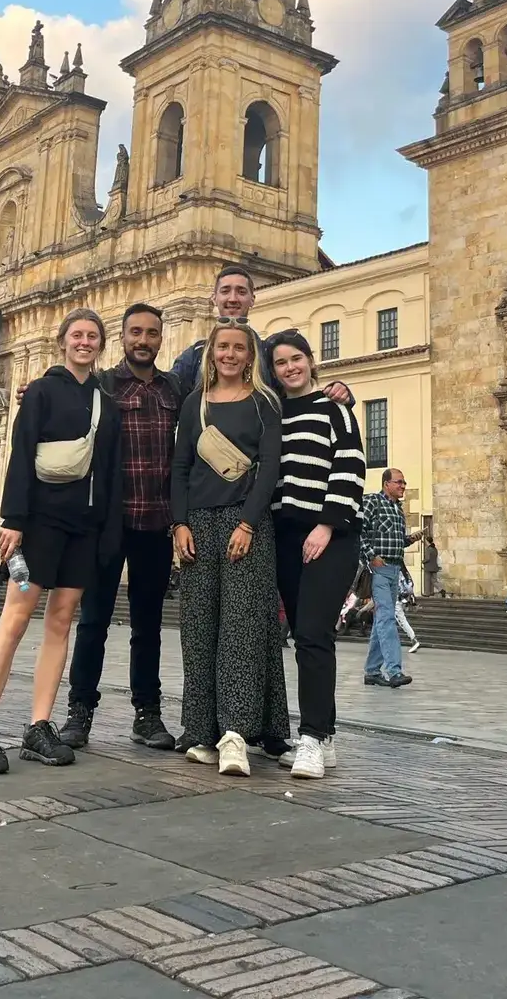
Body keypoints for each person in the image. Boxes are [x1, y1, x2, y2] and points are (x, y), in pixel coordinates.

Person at [0, 308, 122, 776]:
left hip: (84, 528)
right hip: (40, 525)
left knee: (62, 620)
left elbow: (111, 473)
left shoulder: (106, 405)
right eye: (77, 335)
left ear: (101, 344)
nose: (85, 342)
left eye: (92, 336)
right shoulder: (41, 393)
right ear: (62, 342)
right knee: (15, 618)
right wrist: (14, 519)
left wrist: (108, 534)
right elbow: (21, 453)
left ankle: (39, 725)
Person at [62, 303, 182, 754]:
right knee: (93, 620)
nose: (143, 340)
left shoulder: (175, 388)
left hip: (156, 522)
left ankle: (147, 713)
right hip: (108, 523)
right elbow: (65, 402)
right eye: (136, 332)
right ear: (123, 337)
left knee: (148, 625)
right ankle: (79, 710)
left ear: (160, 338)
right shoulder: (103, 386)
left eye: (151, 333)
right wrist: (35, 392)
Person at [171, 323, 286, 777]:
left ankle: (235, 735)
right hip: (198, 523)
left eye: (240, 348)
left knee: (241, 628)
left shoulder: (264, 403)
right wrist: (179, 523)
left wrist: (248, 523)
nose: (231, 354)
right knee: (198, 628)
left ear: (251, 355)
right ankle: (202, 731)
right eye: (223, 347)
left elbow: (270, 467)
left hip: (246, 522)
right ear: (211, 353)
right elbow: (180, 466)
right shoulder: (194, 403)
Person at [266, 330, 365, 781]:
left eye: (296, 358)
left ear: (310, 360)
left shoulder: (334, 408)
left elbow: (350, 467)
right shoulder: (271, 412)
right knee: (310, 636)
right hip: (286, 534)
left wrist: (326, 525)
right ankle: (325, 738)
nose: (290, 367)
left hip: (331, 533)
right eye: (280, 362)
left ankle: (309, 737)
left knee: (310, 632)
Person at [170, 265, 352, 406]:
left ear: (252, 299)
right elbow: (165, 392)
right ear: (214, 299)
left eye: (241, 292)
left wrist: (339, 393)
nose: (233, 298)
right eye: (225, 291)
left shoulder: (269, 352)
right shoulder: (195, 354)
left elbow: (299, 391)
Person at [360, 469, 426, 687]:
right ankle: (394, 670)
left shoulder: (398, 509)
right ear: (386, 483)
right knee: (387, 617)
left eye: (404, 482)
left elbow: (394, 540)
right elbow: (359, 531)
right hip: (379, 569)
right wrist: (372, 556)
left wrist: (410, 539)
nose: (403, 486)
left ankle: (372, 671)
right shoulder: (372, 502)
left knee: (383, 618)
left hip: (395, 569)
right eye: (399, 482)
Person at [396, 564, 420, 652]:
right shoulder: (404, 573)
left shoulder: (395, 572)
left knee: (401, 620)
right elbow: (410, 586)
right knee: (400, 620)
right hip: (401, 599)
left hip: (396, 599)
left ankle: (413, 639)